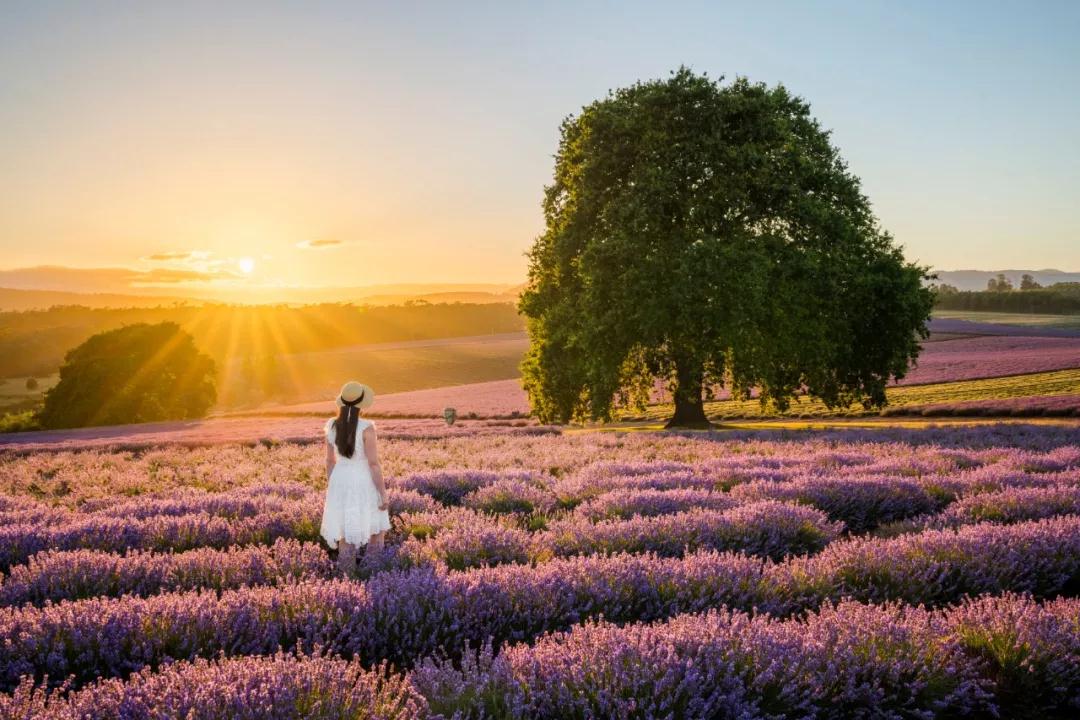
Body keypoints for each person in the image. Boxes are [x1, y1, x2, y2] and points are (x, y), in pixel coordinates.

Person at [320, 380, 390, 576]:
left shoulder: (331, 425)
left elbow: (329, 461)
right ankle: (373, 575)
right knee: (376, 529)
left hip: (340, 479)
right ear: (361, 404)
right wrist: (382, 494)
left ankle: (348, 579)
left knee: (345, 533)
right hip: (362, 479)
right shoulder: (367, 428)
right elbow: (373, 464)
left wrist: (333, 487)